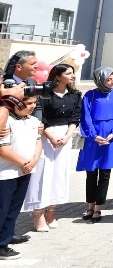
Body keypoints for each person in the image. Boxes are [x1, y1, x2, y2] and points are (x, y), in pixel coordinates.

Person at [23, 64, 80, 230]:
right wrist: (52, 137)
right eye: (68, 73)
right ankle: (37, 213)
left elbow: (75, 117)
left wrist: (68, 135)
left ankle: (52, 211)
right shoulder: (44, 95)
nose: (72, 76)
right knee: (42, 173)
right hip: (46, 135)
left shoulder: (75, 95)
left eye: (73, 73)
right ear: (57, 76)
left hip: (65, 135)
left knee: (59, 174)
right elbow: (41, 117)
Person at [76, 67, 113, 223]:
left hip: (110, 138)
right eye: (108, 79)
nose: (112, 82)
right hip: (93, 138)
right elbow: (86, 117)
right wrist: (93, 135)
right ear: (100, 80)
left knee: (105, 174)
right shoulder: (90, 95)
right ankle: (90, 205)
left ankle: (98, 207)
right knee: (91, 173)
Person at [0, 96, 41, 260]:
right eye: (28, 103)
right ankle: (1, 245)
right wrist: (25, 163)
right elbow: (2, 149)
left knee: (14, 208)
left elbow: (38, 142)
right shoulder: (5, 121)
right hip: (6, 173)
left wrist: (34, 161)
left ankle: (7, 235)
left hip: (24, 171)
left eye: (34, 103)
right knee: (2, 209)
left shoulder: (33, 121)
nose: (32, 107)